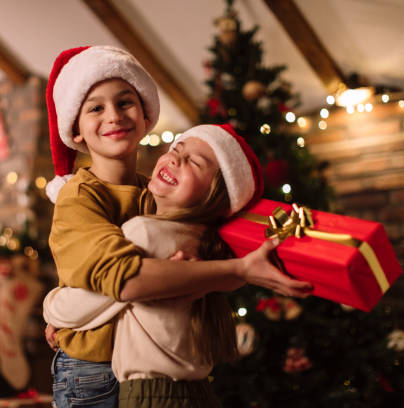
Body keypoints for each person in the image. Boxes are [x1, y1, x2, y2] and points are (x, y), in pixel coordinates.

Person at [44, 46, 312, 408]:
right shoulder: (80, 196)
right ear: (75, 130)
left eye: (125, 102)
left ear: (145, 114)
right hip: (91, 369)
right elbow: (121, 277)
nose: (114, 116)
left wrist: (63, 308)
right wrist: (59, 309)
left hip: (134, 367)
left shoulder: (155, 193)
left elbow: (153, 285)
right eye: (96, 107)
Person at [44, 124, 276, 407]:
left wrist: (51, 304)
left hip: (151, 395)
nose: (176, 159)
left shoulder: (146, 232)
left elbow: (81, 306)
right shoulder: (209, 243)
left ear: (215, 193)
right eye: (176, 150)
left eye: (195, 162)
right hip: (198, 391)